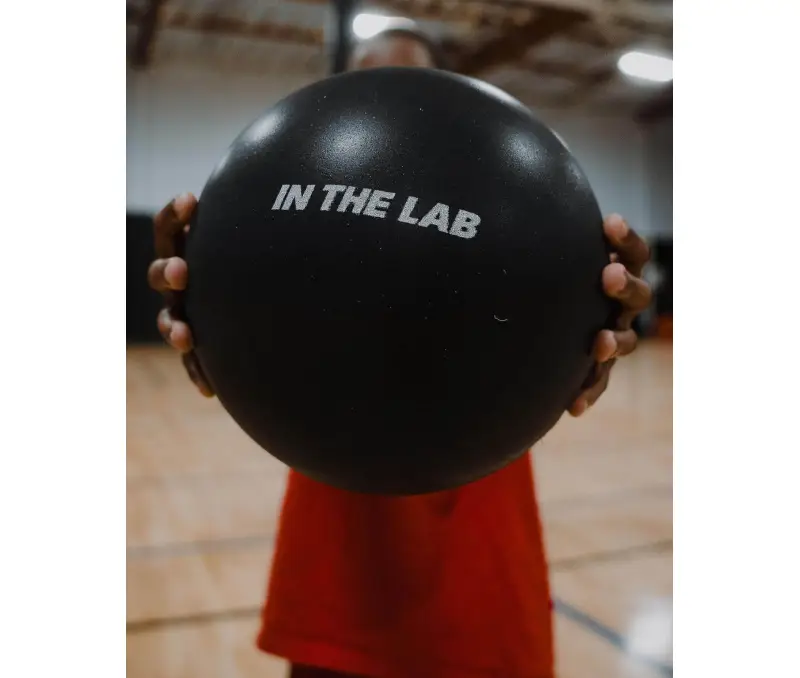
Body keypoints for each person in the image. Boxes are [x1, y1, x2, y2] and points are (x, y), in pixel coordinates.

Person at [147, 24, 652, 678]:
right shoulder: (288, 205)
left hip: (483, 568)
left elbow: (573, 308)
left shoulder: (512, 200)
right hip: (332, 566)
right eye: (364, 79)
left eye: (404, 77)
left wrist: (592, 319)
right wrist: (212, 306)